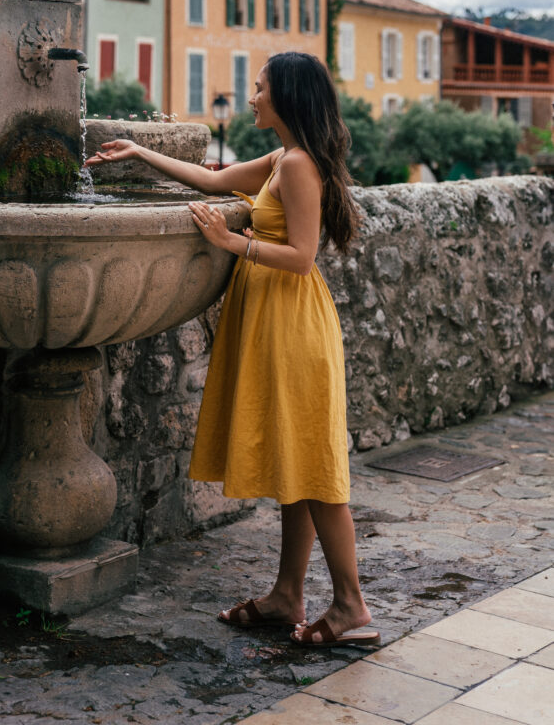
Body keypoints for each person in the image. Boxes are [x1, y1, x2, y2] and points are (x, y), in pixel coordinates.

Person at [85, 51, 378, 648]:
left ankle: (351, 606)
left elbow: (301, 257)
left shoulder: (297, 166)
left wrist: (230, 241)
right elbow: (215, 180)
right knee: (296, 465)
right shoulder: (281, 158)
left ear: (286, 97)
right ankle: (287, 594)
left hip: (292, 324)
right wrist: (140, 152)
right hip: (274, 319)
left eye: (260, 87)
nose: (250, 96)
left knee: (318, 474)